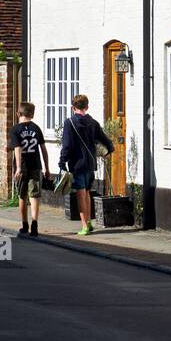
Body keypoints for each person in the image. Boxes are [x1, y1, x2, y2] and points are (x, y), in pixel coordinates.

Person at [60, 94, 114, 235]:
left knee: (80, 194)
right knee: (88, 193)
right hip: (90, 163)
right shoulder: (93, 122)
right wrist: (109, 150)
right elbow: (104, 139)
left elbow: (66, 145)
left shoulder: (69, 123)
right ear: (87, 107)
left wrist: (62, 161)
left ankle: (84, 225)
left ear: (73, 107)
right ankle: (89, 223)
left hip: (77, 164)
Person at [8, 102, 50, 237]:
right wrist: (47, 167)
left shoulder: (15, 130)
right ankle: (35, 224)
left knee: (22, 195)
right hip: (36, 165)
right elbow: (43, 149)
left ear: (18, 114)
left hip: (23, 166)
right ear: (32, 114)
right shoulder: (36, 128)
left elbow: (17, 149)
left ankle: (24, 225)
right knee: (35, 195)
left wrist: (19, 167)